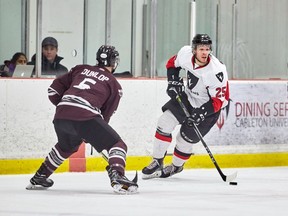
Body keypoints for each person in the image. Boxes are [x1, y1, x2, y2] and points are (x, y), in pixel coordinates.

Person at [26, 45, 138, 194]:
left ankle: (40, 176)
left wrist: (66, 107)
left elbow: (52, 91)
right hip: (86, 116)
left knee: (66, 147)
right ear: (114, 62)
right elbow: (105, 116)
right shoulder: (114, 84)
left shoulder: (79, 69)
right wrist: (92, 134)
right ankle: (118, 175)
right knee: (117, 145)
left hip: (61, 115)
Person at [142, 34, 230, 179]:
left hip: (208, 108)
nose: (205, 53)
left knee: (183, 140)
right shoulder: (185, 53)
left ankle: (176, 167)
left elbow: (220, 101)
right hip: (188, 98)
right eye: (201, 49)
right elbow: (171, 64)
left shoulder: (217, 71)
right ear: (194, 50)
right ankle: (157, 161)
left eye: (207, 49)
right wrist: (173, 81)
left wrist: (201, 113)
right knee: (164, 122)